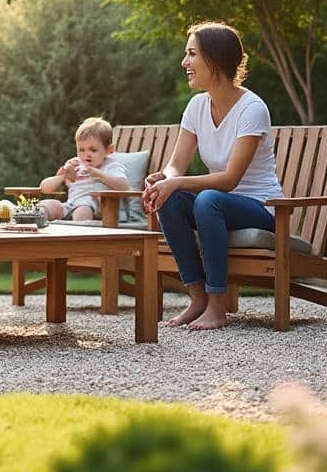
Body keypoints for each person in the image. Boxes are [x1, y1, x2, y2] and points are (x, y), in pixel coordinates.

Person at [141, 22, 283, 331]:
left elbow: (230, 179)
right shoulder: (196, 106)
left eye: (192, 54)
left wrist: (176, 181)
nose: (184, 62)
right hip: (217, 207)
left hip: (261, 209)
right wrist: (163, 179)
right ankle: (198, 299)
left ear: (215, 60)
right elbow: (176, 164)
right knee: (171, 200)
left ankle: (217, 306)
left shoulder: (252, 109)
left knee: (207, 200)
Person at [38, 117, 129, 222]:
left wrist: (100, 176)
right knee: (45, 206)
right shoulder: (75, 164)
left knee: (81, 212)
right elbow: (44, 189)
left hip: (95, 208)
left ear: (109, 150)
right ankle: (34, 227)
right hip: (70, 204)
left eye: (93, 150)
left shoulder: (111, 166)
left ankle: (77, 234)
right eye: (81, 150)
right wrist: (63, 176)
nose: (86, 155)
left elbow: (124, 186)